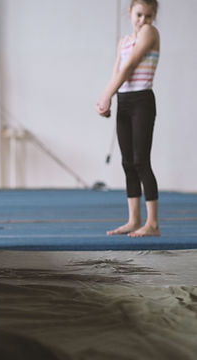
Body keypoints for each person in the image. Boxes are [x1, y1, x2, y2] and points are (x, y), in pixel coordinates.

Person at [96, 0, 161, 237]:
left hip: (142, 100)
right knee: (127, 162)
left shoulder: (150, 33)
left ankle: (152, 224)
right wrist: (109, 100)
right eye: (139, 15)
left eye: (148, 16)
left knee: (141, 161)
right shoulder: (123, 42)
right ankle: (134, 220)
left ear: (153, 18)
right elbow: (116, 71)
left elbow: (129, 68)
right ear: (130, 12)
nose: (143, 20)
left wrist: (105, 95)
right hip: (124, 100)